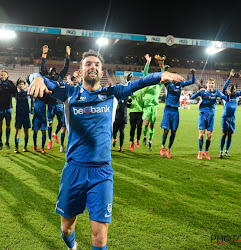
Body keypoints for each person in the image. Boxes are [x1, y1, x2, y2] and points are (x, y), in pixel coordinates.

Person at [28, 49, 184, 250]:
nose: (92, 67)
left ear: (101, 73)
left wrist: (161, 75)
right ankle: (72, 247)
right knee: (66, 229)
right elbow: (38, 79)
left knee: (100, 239)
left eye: (97, 65)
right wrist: (38, 77)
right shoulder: (69, 93)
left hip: (101, 173)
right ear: (81, 70)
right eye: (88, 64)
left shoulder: (112, 93)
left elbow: (141, 83)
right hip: (73, 169)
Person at [160, 68, 196, 158]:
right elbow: (161, 79)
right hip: (168, 110)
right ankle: (162, 146)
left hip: (175, 111)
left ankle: (168, 149)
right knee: (166, 131)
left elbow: (192, 81)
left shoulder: (180, 84)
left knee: (174, 131)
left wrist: (193, 74)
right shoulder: (168, 84)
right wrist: (165, 71)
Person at [41, 45, 71, 150]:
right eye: (51, 71)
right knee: (49, 122)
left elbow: (66, 67)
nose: (53, 72)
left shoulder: (60, 77)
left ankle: (55, 133)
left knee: (61, 122)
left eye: (54, 71)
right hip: (50, 103)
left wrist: (67, 56)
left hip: (59, 103)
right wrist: (44, 54)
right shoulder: (46, 77)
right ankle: (49, 140)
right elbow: (42, 67)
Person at [191, 78, 228, 160]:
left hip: (211, 116)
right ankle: (200, 151)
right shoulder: (203, 92)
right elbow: (192, 97)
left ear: (214, 84)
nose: (211, 85)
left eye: (212, 83)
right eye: (209, 83)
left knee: (209, 135)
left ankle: (206, 151)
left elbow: (225, 98)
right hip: (202, 115)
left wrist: (228, 94)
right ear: (206, 84)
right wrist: (198, 92)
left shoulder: (216, 92)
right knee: (201, 134)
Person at [141, 54, 167, 151]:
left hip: (154, 107)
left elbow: (163, 73)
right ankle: (144, 136)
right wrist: (148, 62)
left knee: (152, 125)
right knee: (146, 124)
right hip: (147, 106)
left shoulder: (159, 85)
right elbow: (145, 73)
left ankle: (150, 142)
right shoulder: (147, 82)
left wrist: (161, 65)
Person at [219, 69, 241, 158]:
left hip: (232, 118)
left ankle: (226, 151)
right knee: (224, 134)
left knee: (230, 134)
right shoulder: (226, 96)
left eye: (234, 89)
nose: (233, 90)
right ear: (228, 91)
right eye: (231, 89)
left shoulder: (237, 95)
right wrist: (230, 77)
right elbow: (223, 88)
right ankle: (221, 151)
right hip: (225, 117)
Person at [0, 70, 16, 150]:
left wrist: (15, 87)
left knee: (8, 125)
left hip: (8, 108)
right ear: (0, 76)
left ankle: (7, 141)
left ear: (7, 76)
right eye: (1, 75)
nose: (3, 76)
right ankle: (0, 142)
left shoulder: (10, 83)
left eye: (4, 75)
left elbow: (15, 92)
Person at [14, 79, 31, 153]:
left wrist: (29, 82)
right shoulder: (16, 93)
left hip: (26, 114)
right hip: (18, 115)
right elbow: (13, 89)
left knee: (26, 131)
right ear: (18, 85)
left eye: (22, 84)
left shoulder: (27, 93)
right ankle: (16, 147)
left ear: (24, 86)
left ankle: (25, 147)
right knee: (18, 131)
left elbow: (31, 87)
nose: (21, 85)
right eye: (19, 84)